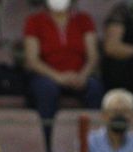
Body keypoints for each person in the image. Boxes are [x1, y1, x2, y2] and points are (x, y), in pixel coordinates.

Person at [23, 0, 102, 143]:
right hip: (47, 76)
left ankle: (94, 143)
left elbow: (93, 57)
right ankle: (47, 144)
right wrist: (58, 77)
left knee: (94, 88)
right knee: (46, 90)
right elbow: (32, 60)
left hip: (79, 75)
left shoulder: (84, 20)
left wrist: (82, 76)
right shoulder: (34, 21)